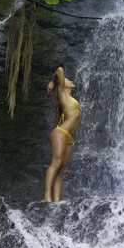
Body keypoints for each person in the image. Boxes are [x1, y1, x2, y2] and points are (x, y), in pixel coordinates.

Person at [43, 66, 81, 202]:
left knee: (61, 170)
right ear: (63, 85)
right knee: (56, 163)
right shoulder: (63, 95)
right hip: (61, 133)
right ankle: (47, 196)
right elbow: (59, 69)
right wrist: (54, 82)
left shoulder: (68, 97)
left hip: (69, 138)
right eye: (66, 80)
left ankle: (57, 201)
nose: (70, 80)